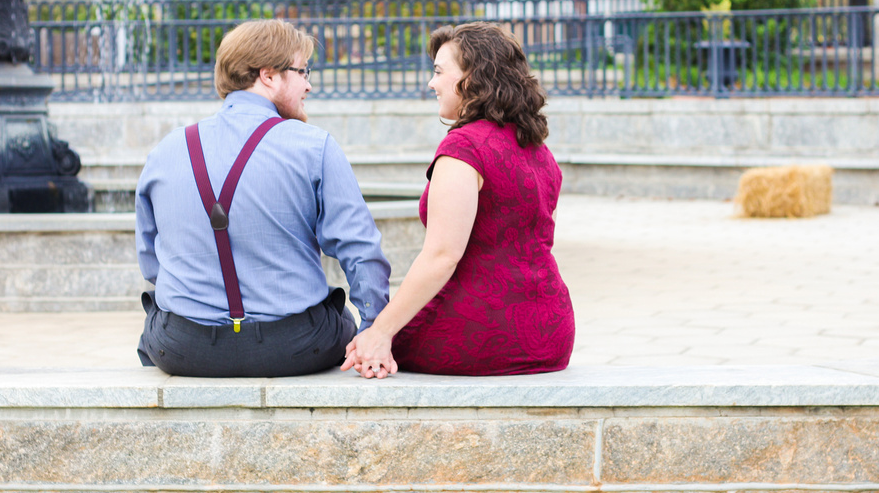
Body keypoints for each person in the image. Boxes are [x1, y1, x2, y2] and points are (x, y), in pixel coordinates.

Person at [136, 19, 390, 377]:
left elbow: (151, 261)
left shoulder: (166, 150)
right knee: (337, 314)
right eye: (302, 71)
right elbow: (360, 249)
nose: (309, 84)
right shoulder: (314, 146)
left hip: (184, 349)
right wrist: (375, 329)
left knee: (156, 315)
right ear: (268, 76)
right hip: (296, 346)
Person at [342, 22, 574, 378]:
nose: (431, 83)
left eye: (438, 72)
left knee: (348, 337)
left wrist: (380, 332)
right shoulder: (536, 148)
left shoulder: (463, 148)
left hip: (481, 333)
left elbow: (442, 256)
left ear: (473, 78)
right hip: (551, 332)